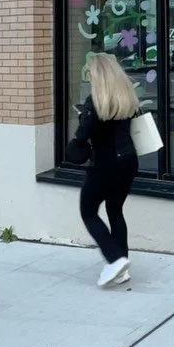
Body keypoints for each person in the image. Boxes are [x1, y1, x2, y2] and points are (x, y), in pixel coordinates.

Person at [66, 53, 140, 288]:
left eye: (90, 74)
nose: (89, 78)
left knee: (88, 211)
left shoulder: (94, 102)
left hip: (105, 164)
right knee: (115, 210)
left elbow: (81, 140)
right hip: (128, 161)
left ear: (97, 75)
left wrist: (82, 121)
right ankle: (122, 265)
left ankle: (115, 258)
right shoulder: (127, 97)